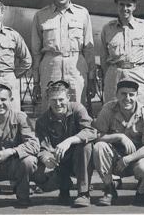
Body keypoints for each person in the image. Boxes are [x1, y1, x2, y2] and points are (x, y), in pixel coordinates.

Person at [31, 0, 96, 111]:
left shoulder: (82, 14)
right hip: (51, 68)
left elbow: (89, 49)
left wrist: (91, 79)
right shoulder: (41, 15)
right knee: (51, 108)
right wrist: (36, 81)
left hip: (75, 68)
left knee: (75, 108)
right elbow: (36, 52)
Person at [92, 78, 144, 206]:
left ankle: (141, 190)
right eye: (123, 94)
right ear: (117, 95)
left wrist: (128, 159)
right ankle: (109, 189)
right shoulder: (108, 108)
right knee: (99, 147)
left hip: (137, 159)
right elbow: (96, 136)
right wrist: (119, 136)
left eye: (131, 94)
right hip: (115, 160)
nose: (127, 98)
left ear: (137, 96)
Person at [34, 80, 97, 208]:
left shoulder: (77, 109)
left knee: (86, 146)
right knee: (42, 182)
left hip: (79, 159)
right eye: (53, 100)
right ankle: (64, 187)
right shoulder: (42, 120)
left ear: (68, 98)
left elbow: (91, 131)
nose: (58, 104)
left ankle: (83, 193)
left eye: (61, 99)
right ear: (48, 100)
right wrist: (46, 158)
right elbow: (42, 146)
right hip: (58, 161)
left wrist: (69, 141)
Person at [100, 0, 144, 107]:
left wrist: (141, 72)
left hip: (137, 72)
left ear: (134, 6)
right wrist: (112, 73)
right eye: (121, 4)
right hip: (115, 73)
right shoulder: (107, 28)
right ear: (117, 5)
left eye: (129, 5)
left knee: (141, 110)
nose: (125, 8)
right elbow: (104, 58)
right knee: (112, 109)